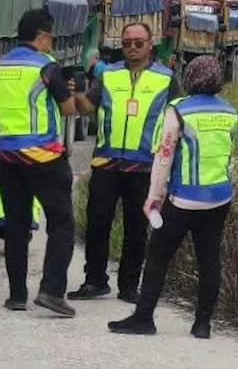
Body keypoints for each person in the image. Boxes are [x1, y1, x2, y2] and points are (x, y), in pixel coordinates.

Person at [108, 55, 238, 338]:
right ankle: (203, 324)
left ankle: (144, 317)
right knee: (209, 259)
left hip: (183, 199)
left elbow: (164, 156)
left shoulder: (179, 110)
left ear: (189, 78)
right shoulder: (230, 112)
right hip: (219, 198)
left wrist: (154, 196)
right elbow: (229, 155)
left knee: (158, 255)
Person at [68, 22, 178, 303]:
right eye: (127, 42)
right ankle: (95, 281)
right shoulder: (108, 75)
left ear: (150, 44)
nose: (131, 47)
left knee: (136, 229)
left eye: (138, 42)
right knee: (97, 224)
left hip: (144, 167)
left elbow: (179, 120)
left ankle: (129, 286)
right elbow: (87, 107)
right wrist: (75, 92)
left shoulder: (167, 79)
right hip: (107, 162)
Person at [0, 8, 78, 317]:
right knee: (62, 223)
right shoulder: (46, 66)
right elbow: (67, 109)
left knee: (16, 225)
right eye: (50, 38)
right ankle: (52, 292)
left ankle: (16, 296)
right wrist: (68, 93)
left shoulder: (1, 65)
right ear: (41, 36)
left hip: (8, 156)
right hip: (43, 156)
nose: (51, 44)